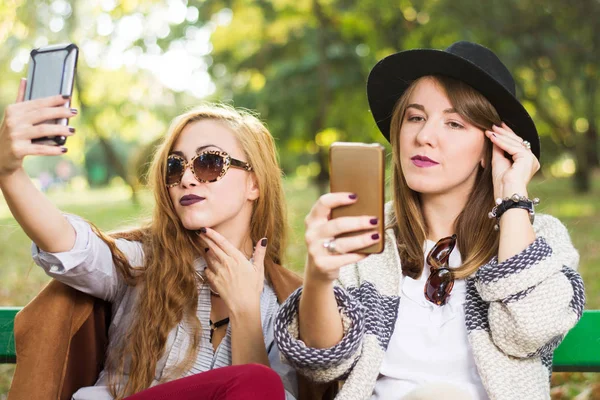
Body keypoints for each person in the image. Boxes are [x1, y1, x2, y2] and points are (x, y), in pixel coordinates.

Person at [274, 41, 585, 399]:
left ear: (492, 149)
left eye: (454, 123)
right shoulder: (369, 239)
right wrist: (319, 275)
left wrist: (513, 197)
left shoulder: (538, 238)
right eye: (416, 118)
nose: (424, 137)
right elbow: (322, 364)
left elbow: (529, 332)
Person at [0, 79, 302, 399]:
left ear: (254, 184)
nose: (186, 178)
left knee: (260, 383)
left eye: (209, 162)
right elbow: (68, 244)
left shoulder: (285, 304)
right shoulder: (141, 264)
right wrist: (9, 173)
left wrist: (245, 312)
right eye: (175, 166)